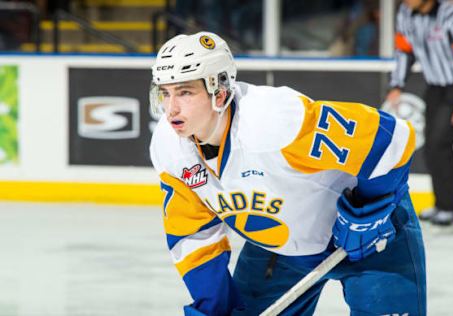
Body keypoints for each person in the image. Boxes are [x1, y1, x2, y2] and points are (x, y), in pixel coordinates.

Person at [149, 32, 426, 315]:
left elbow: (392, 140)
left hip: (374, 241)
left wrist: (366, 214)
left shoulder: (273, 122)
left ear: (219, 92)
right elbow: (194, 235)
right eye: (165, 93)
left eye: (184, 92)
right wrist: (214, 307)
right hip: (278, 254)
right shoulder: (169, 147)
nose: (171, 109)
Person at [386, 0, 453, 228]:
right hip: (435, 87)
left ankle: (450, 207)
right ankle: (442, 204)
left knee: (440, 145)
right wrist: (396, 84)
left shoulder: (452, 15)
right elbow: (404, 51)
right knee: (430, 149)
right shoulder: (406, 14)